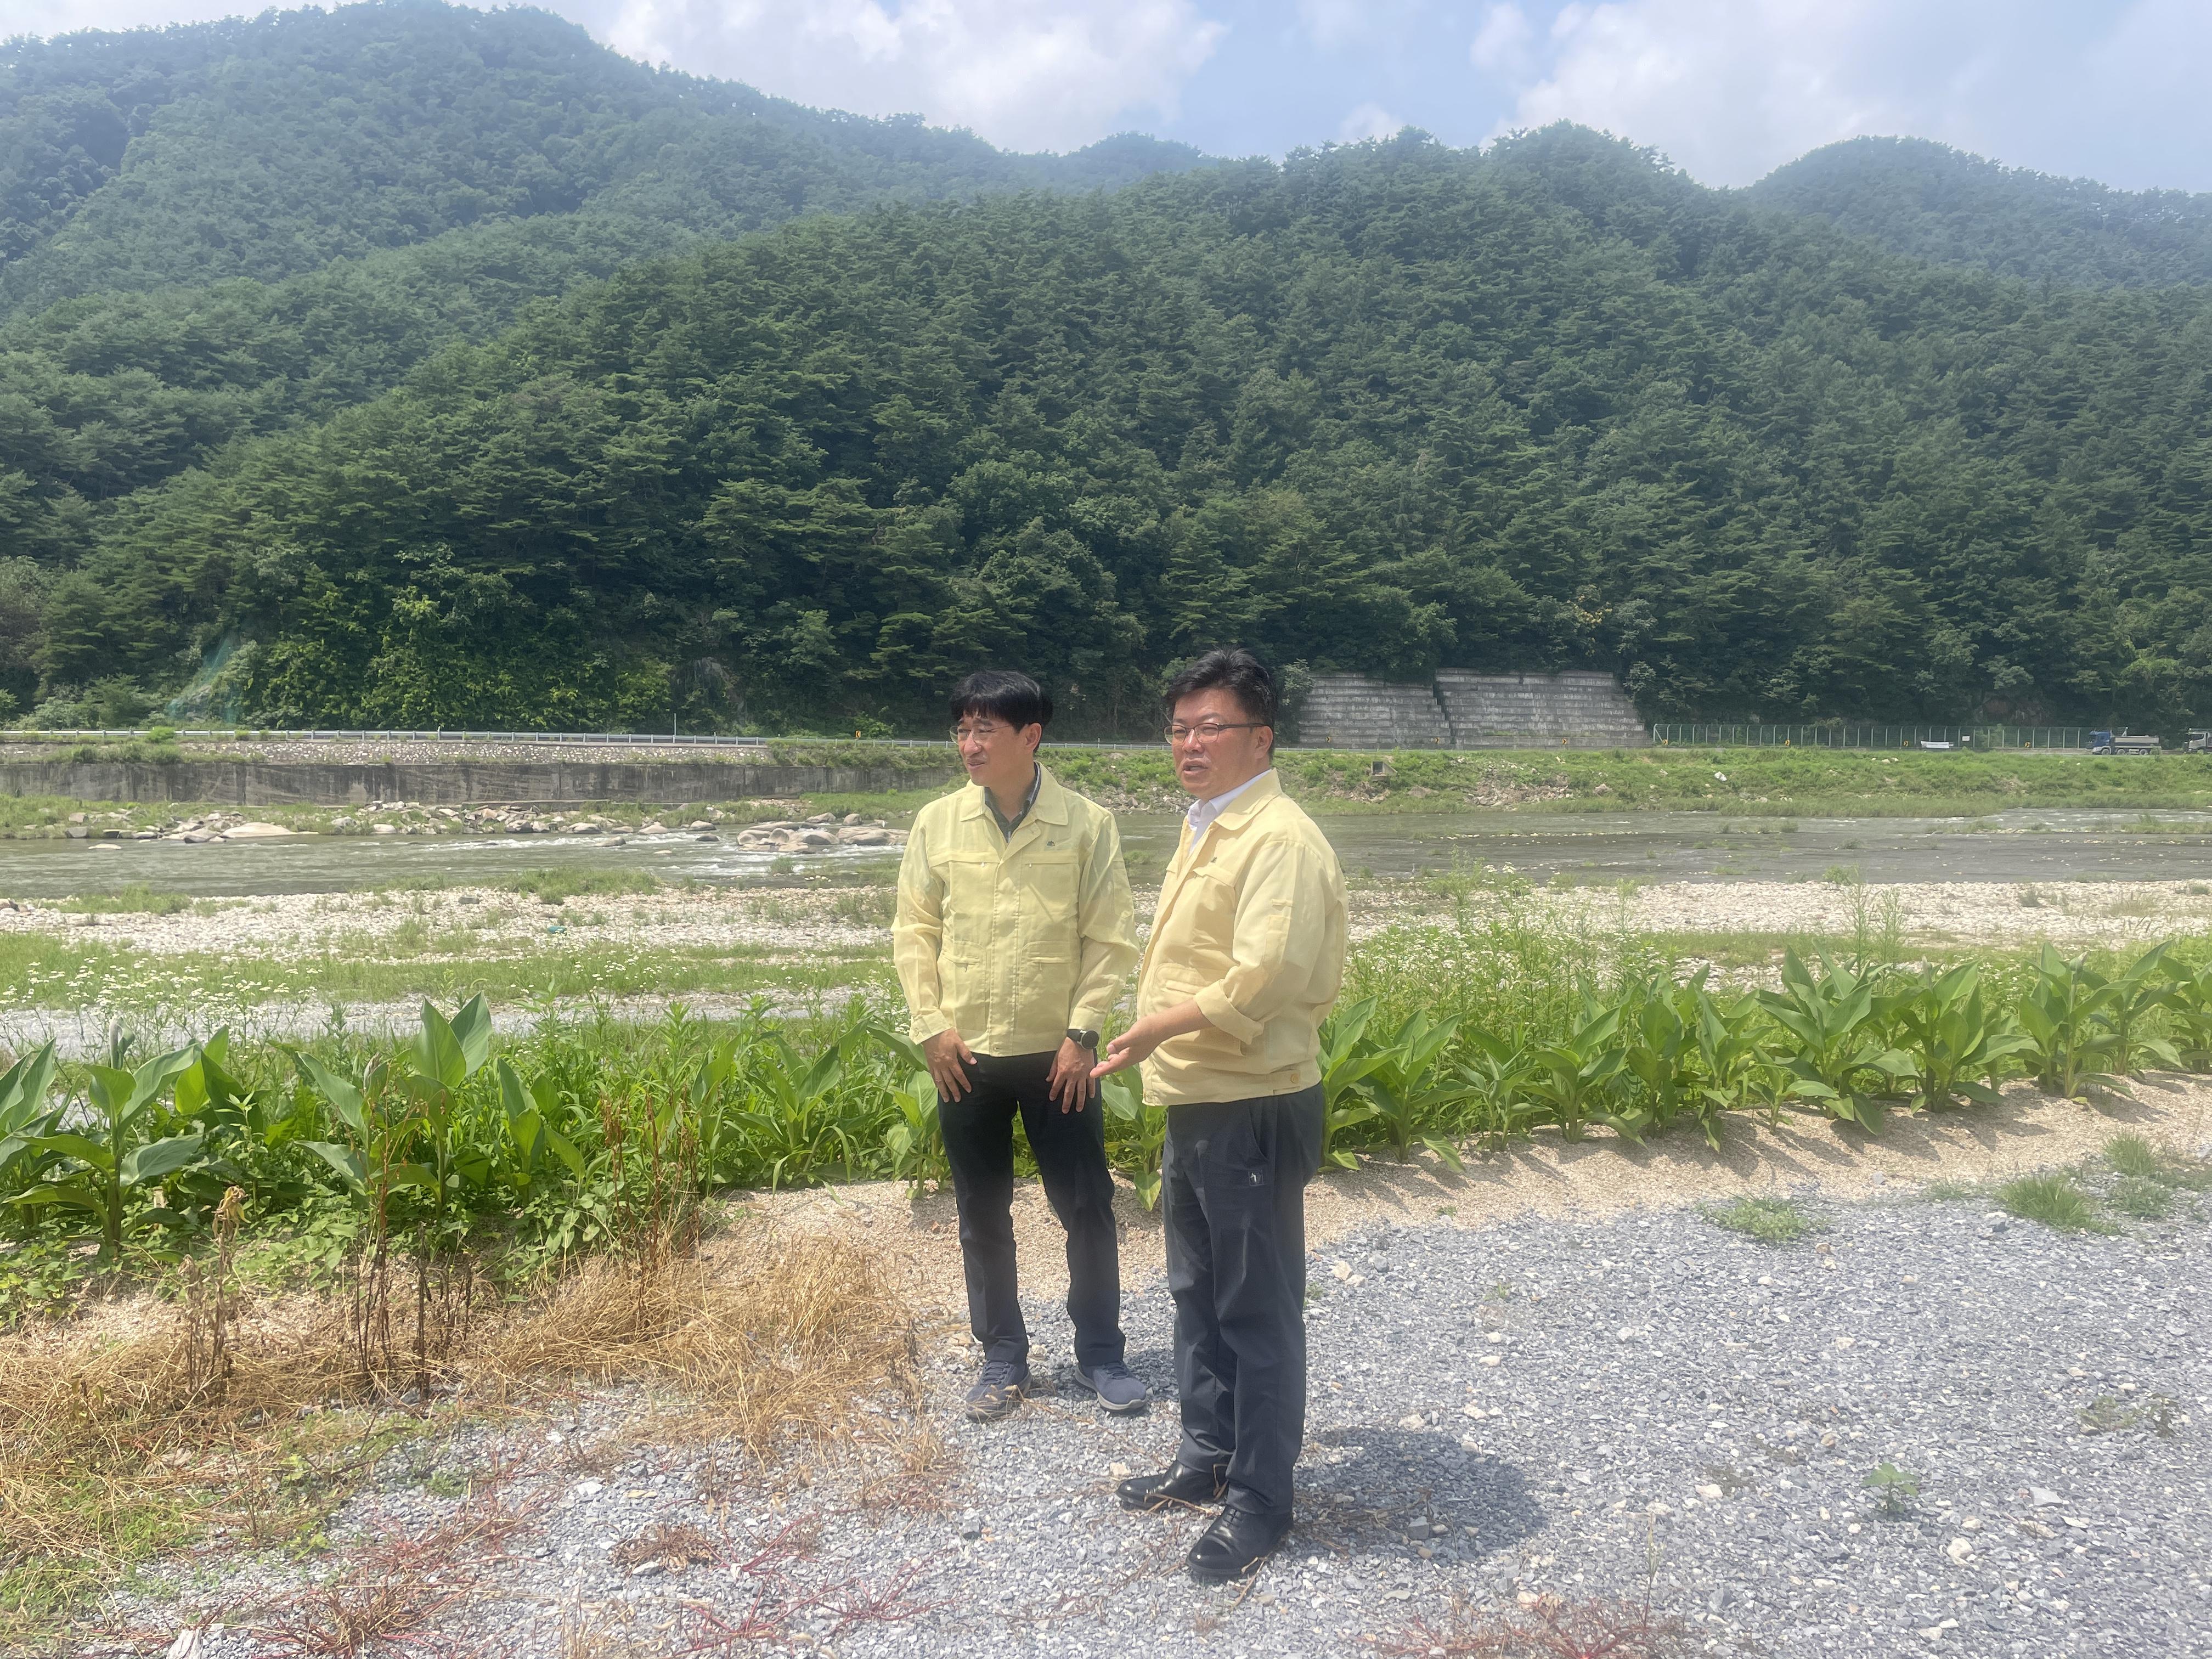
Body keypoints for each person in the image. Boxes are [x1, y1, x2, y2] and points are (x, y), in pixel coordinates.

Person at [1093, 647, 1348, 1583]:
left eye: (1212, 728)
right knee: (1196, 1294)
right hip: (1200, 1095)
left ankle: (1262, 1499)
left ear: (1262, 738)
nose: (1190, 744)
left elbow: (1268, 973)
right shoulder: (1210, 824)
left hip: (1254, 1098)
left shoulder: (1280, 837)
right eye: (1179, 729)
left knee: (1256, 1307)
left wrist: (1156, 1027)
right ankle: (1206, 1457)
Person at [892, 668, 1148, 1423]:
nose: (969, 745)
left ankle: (1101, 1353)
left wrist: (1083, 1033)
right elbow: (914, 930)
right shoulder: (938, 823)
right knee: (981, 1212)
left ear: (1030, 736)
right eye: (962, 730)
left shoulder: (1087, 824)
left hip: (1057, 1057)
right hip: (964, 1055)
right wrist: (930, 1025)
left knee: (1087, 1204)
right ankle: (1002, 1357)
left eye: (985, 730)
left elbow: (1110, 938)